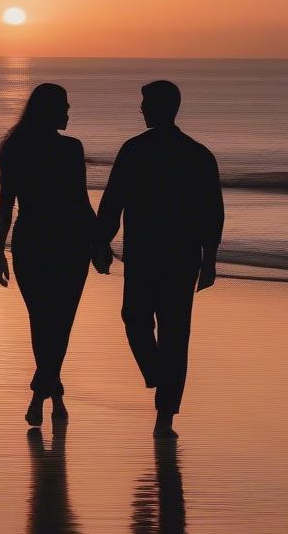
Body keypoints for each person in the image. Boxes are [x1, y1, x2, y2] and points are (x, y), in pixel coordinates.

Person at [95, 80, 224, 438]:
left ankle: (165, 416)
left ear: (163, 107)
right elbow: (113, 202)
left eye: (145, 102)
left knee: (173, 333)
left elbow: (213, 213)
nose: (141, 108)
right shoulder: (149, 150)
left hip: (173, 256)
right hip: (151, 254)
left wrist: (211, 260)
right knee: (137, 319)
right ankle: (157, 375)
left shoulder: (191, 154)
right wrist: (101, 242)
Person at [0, 83, 96, 426]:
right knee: (58, 323)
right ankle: (47, 393)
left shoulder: (14, 148)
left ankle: (44, 394)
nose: (69, 113)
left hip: (31, 242)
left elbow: (6, 206)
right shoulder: (70, 149)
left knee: (43, 322)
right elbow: (81, 203)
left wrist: (0, 252)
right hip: (68, 243)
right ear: (50, 110)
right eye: (64, 107)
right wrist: (99, 244)